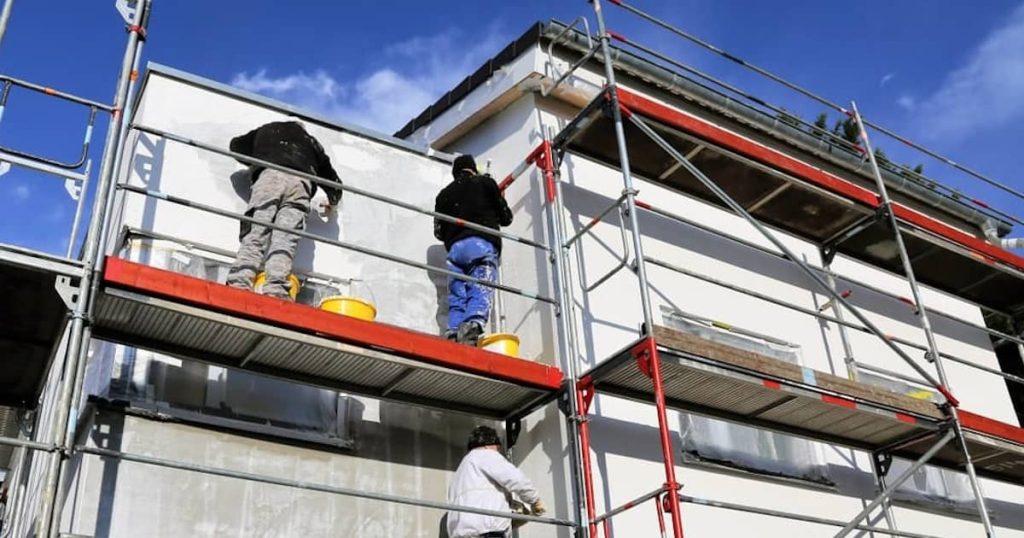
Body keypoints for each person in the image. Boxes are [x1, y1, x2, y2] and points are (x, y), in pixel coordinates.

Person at [225, 119, 342, 300]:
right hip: (301, 184)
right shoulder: (311, 142)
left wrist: (257, 160)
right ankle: (276, 290)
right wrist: (332, 202)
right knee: (285, 240)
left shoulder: (267, 129)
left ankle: (239, 283)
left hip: (270, 177)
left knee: (256, 233)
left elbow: (236, 146)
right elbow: (332, 180)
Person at [434, 154, 513, 345]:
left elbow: (439, 233)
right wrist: (499, 198)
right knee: (481, 285)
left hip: (455, 250)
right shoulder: (485, 183)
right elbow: (506, 218)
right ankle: (472, 325)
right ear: (473, 169)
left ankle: (453, 331)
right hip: (480, 242)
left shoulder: (443, 195)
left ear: (455, 173)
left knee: (457, 294)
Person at [447, 426, 545, 538]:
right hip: (487, 533)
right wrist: (535, 501)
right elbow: (516, 479)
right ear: (489, 444)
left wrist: (511, 512)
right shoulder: (486, 454)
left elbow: (482, 496)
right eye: (498, 448)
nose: (498, 452)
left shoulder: (461, 472)